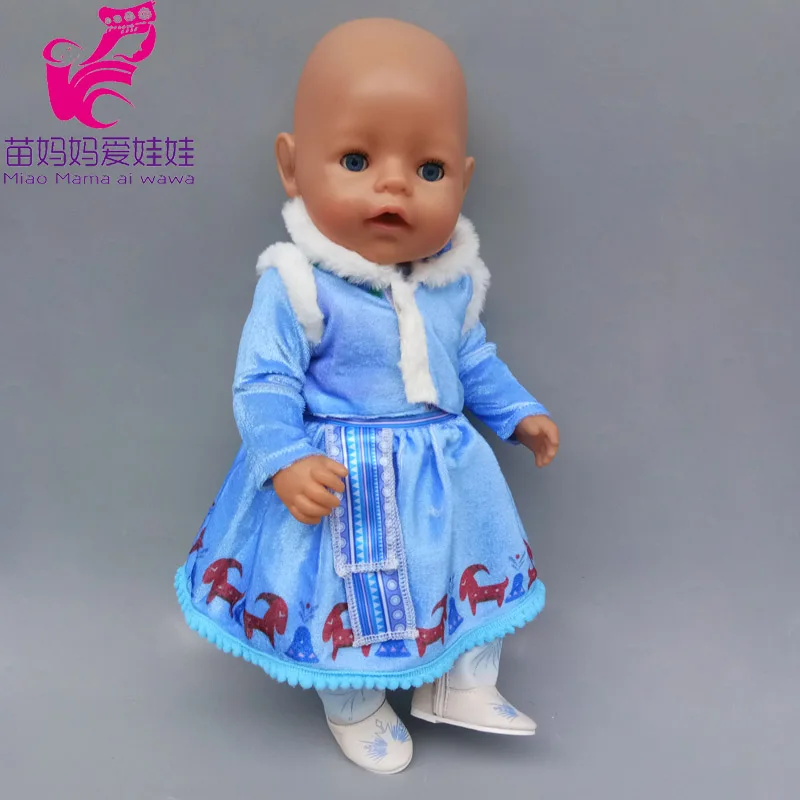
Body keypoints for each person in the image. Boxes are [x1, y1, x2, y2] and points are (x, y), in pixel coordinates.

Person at [175, 17, 560, 774]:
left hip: (444, 476)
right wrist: (286, 458)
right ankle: (353, 702)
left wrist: (519, 412)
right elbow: (264, 381)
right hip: (345, 475)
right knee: (347, 591)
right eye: (357, 159)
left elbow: (472, 360)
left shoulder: (452, 284)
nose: (394, 184)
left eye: (429, 168)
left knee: (462, 566)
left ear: (464, 180)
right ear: (292, 167)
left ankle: (462, 681)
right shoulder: (298, 283)